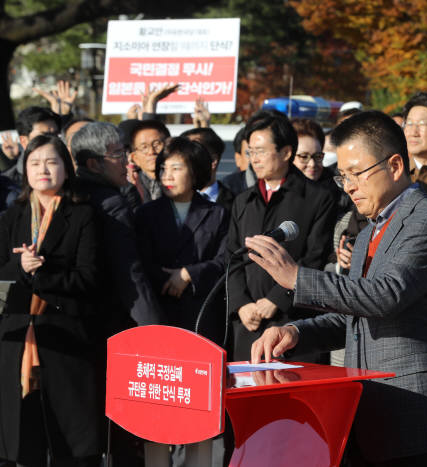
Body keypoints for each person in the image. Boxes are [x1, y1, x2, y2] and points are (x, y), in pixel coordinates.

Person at [246, 111, 427, 466]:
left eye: (356, 173)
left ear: (396, 165)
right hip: (369, 416)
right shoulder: (369, 230)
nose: (349, 185)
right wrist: (295, 332)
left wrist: (297, 278)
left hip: (416, 414)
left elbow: (385, 296)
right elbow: (353, 316)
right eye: (343, 176)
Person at [0, 135, 103, 467]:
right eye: (34, 162)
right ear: (24, 170)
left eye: (51, 161)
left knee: (71, 446)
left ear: (66, 169)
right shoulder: (11, 216)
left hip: (67, 337)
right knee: (21, 440)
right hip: (16, 340)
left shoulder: (84, 214)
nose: (42, 169)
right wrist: (20, 267)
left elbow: (90, 277)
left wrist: (39, 274)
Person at [134, 136, 229, 467]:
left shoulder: (217, 213)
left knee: (197, 412)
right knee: (157, 410)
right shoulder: (145, 214)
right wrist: (167, 280)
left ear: (196, 171)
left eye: (177, 167)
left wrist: (189, 273)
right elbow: (139, 262)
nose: (168, 175)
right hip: (159, 317)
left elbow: (226, 259)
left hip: (200, 318)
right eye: (163, 168)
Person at [226, 110, 336, 362]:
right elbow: (231, 256)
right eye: (251, 152)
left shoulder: (317, 198)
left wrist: (276, 299)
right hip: (249, 324)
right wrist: (242, 305)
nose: (254, 159)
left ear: (286, 152)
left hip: (294, 323)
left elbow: (314, 257)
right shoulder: (243, 200)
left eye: (261, 151)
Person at [71, 122, 165, 332]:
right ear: (94, 164)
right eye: (118, 155)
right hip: (109, 318)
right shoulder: (111, 203)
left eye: (125, 152)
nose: (127, 162)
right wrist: (153, 327)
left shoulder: (67, 195)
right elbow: (129, 271)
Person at [180, 127, 236, 214]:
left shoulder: (237, 203)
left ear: (213, 160)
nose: (186, 159)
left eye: (194, 152)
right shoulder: (170, 200)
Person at [2, 107, 61, 185]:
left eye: (55, 135)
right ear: (24, 141)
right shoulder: (7, 184)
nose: (52, 141)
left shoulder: (69, 172)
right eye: (44, 136)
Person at [127, 120, 170, 203]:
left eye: (156, 144)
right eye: (144, 147)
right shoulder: (129, 185)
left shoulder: (181, 181)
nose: (151, 152)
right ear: (135, 157)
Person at [220, 126, 256, 197]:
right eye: (249, 153)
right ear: (238, 158)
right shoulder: (228, 188)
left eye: (261, 151)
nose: (255, 158)